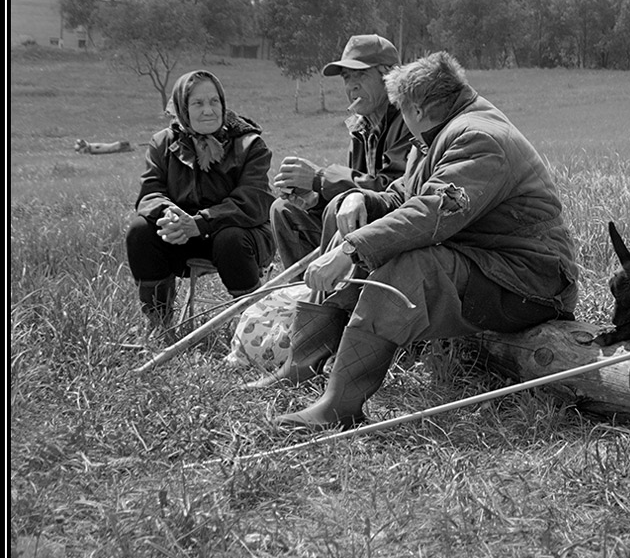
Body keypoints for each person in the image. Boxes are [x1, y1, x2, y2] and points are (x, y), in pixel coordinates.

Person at [271, 51, 579, 432]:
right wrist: (360, 199)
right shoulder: (441, 134)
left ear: (416, 110)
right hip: (489, 264)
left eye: (401, 110)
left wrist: (351, 250)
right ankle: (302, 365)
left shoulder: (480, 138)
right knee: (350, 218)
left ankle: (340, 405)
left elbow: (431, 212)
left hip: (530, 282)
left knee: (410, 266)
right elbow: (404, 197)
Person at [126, 69, 276, 337]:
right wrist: (170, 214)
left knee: (230, 238)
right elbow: (150, 193)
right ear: (183, 108)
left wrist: (201, 222)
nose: (208, 110)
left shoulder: (250, 145)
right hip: (184, 235)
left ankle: (255, 325)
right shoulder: (163, 143)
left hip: (241, 234)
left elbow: (252, 201)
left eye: (214, 101)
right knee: (140, 231)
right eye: (197, 103)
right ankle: (159, 323)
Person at [270, 34, 416, 268]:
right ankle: (308, 295)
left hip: (397, 232)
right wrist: (314, 197)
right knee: (284, 210)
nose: (351, 86)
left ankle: (332, 298)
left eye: (361, 75)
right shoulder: (360, 126)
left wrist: (320, 178)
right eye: (347, 78)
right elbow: (356, 189)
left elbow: (394, 192)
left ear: (389, 77)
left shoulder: (410, 120)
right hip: (365, 222)